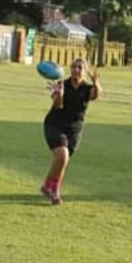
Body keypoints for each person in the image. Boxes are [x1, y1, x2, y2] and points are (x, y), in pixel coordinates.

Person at [41, 56, 100, 205]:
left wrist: (96, 83)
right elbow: (57, 106)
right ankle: (55, 192)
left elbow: (95, 95)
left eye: (80, 68)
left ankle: (47, 186)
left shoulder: (87, 88)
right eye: (74, 67)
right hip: (55, 124)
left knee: (62, 161)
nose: (76, 70)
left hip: (74, 129)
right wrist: (59, 95)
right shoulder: (61, 84)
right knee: (62, 155)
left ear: (85, 71)